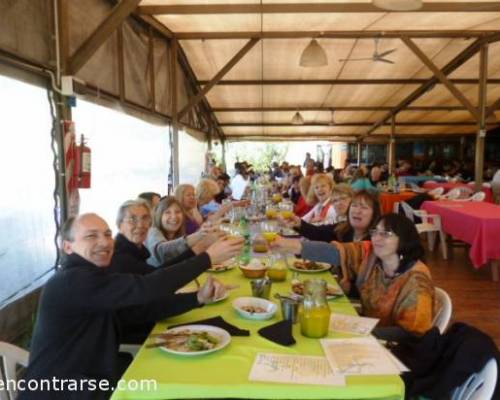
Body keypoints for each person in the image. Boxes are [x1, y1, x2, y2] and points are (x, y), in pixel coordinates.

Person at [20, 213, 243, 400]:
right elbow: (147, 286)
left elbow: (141, 310)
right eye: (91, 236)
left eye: (107, 234)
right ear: (68, 247)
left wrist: (197, 299)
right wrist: (207, 258)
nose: (104, 241)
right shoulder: (72, 281)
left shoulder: (95, 276)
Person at [273, 213, 435, 337]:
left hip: (394, 350)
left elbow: (412, 333)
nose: (376, 239)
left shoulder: (416, 279)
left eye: (385, 234)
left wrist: (359, 330)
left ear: (404, 239)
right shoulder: (371, 256)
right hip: (365, 332)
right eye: (375, 232)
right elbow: (335, 252)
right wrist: (288, 245)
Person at [145, 196, 221, 267]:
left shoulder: (179, 232)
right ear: (159, 216)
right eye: (167, 212)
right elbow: (162, 253)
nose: (174, 217)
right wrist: (200, 234)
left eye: (177, 212)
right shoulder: (153, 231)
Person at [286, 190, 380, 243]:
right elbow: (318, 232)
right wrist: (298, 224)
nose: (357, 211)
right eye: (354, 205)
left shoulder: (375, 240)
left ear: (374, 214)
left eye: (364, 207)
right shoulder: (343, 229)